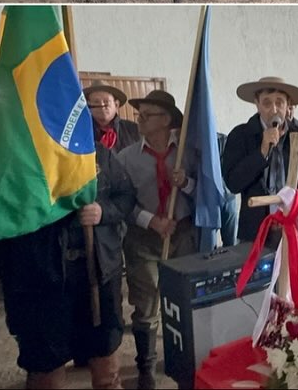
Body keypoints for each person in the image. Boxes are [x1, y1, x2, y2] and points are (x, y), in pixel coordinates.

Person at [0, 142, 135, 390]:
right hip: (42, 283)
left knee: (106, 361)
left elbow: (126, 195)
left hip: (97, 274)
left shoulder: (94, 152)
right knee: (46, 370)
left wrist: (102, 211)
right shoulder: (15, 158)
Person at [117, 90, 196, 390]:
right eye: (139, 114)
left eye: (148, 115)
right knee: (147, 301)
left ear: (166, 121)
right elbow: (123, 203)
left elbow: (209, 193)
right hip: (144, 240)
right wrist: (153, 221)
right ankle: (146, 366)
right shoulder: (126, 158)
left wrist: (186, 182)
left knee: (182, 301)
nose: (140, 120)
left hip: (183, 235)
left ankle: (182, 359)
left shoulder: (188, 152)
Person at [222, 76, 298, 247]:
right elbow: (233, 183)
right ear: (257, 104)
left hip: (296, 225)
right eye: (267, 103)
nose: (274, 109)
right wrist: (262, 151)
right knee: (259, 274)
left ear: (288, 104)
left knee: (294, 273)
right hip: (256, 230)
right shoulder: (240, 135)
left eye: (279, 102)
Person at [84, 82, 140, 153]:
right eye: (96, 102)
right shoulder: (80, 132)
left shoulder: (135, 130)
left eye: (106, 101)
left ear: (116, 105)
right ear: (88, 106)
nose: (102, 105)